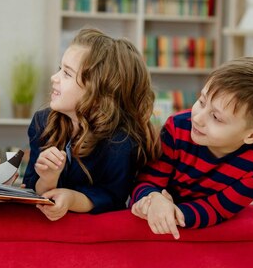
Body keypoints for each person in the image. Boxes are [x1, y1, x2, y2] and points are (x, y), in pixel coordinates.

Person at [130, 57, 253, 239]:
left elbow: (218, 209)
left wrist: (174, 212)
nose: (197, 118)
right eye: (201, 101)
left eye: (216, 118)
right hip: (149, 219)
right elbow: (146, 181)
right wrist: (153, 199)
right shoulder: (178, 127)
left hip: (191, 227)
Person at [23, 28, 160, 221]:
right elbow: (31, 187)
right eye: (59, 68)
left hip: (92, 234)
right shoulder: (42, 122)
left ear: (99, 93)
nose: (54, 78)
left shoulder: (120, 142)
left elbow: (112, 198)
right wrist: (48, 178)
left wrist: (71, 199)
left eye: (67, 74)